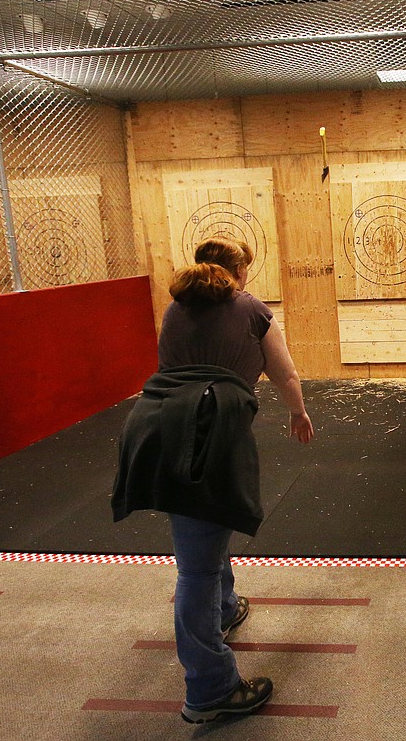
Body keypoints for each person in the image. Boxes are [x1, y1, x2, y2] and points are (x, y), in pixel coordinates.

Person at [113, 236, 314, 723]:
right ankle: (210, 688)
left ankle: (223, 609)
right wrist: (299, 413)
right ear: (239, 271)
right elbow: (283, 373)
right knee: (197, 568)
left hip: (156, 423)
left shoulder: (175, 307)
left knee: (204, 529)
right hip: (208, 430)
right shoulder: (250, 308)